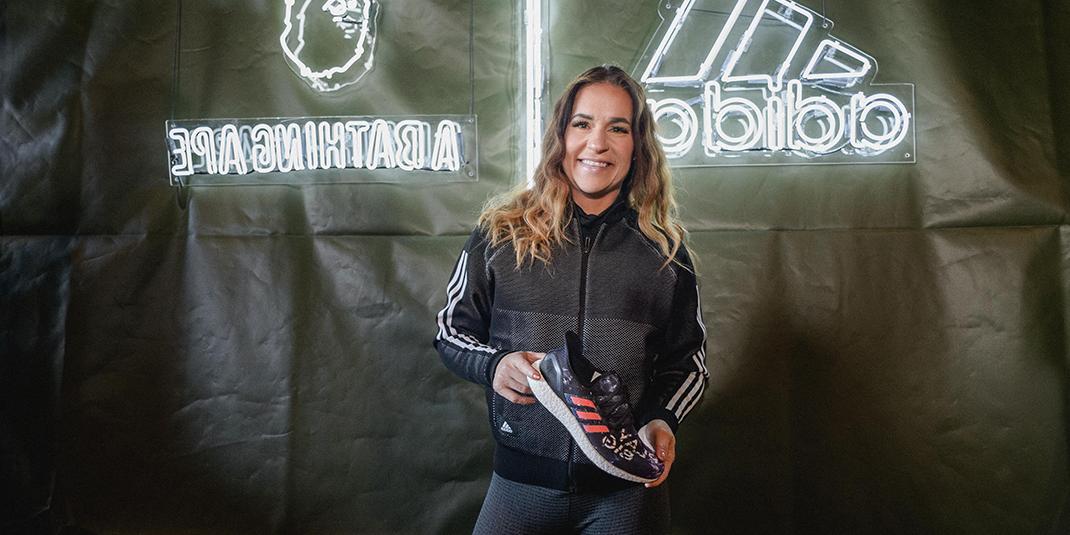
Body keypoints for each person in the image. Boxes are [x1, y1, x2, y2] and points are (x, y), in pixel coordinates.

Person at [434, 65, 708, 534]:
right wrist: (495, 365)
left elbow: (689, 364)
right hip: (520, 486)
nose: (597, 143)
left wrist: (664, 418)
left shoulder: (663, 251)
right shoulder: (501, 234)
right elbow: (450, 332)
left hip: (625, 496)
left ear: (637, 146)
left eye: (617, 128)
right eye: (582, 124)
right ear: (561, 136)